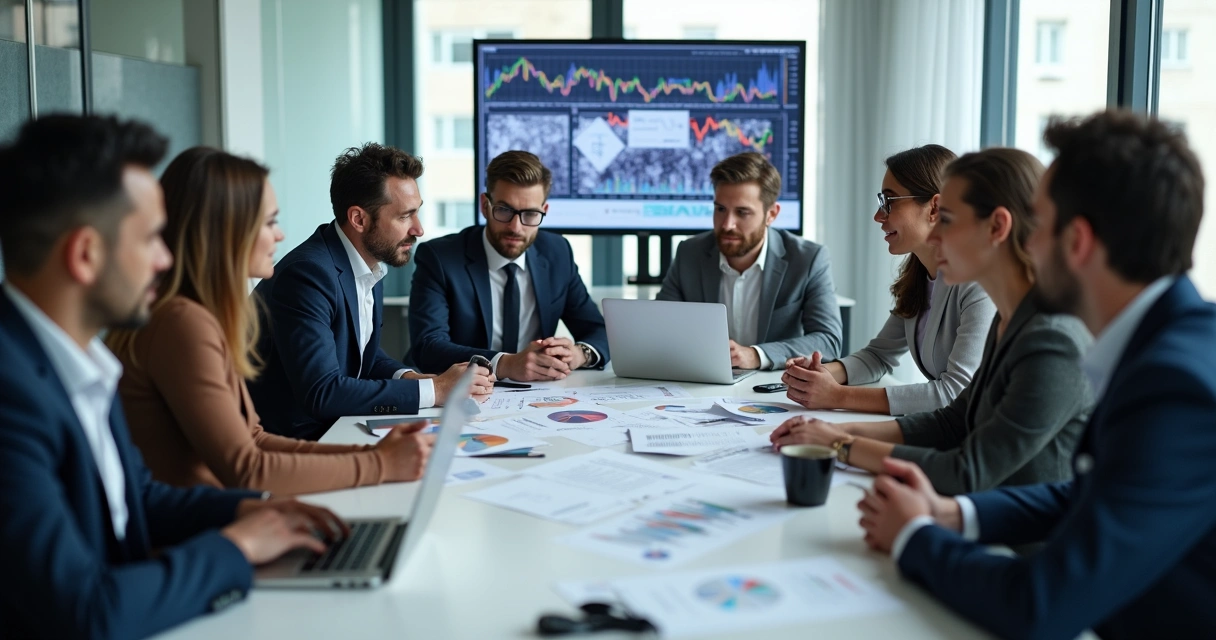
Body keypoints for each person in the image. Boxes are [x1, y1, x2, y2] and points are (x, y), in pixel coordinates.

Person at [858, 111, 1216, 640]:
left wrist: (914, 534)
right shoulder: (1164, 346)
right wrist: (954, 515)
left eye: (1038, 223)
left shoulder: (1175, 387)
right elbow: (1091, 494)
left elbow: (1041, 605)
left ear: (1078, 242)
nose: (1025, 241)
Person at [0, 115, 346, 639]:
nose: (165, 259)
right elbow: (85, 611)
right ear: (86, 254)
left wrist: (266, 511)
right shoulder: (10, 394)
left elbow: (138, 498)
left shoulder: (82, 361)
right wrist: (239, 546)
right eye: (151, 239)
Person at [105, 147, 434, 496]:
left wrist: (376, 456)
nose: (280, 236)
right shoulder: (182, 322)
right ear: (223, 231)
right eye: (269, 222)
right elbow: (246, 468)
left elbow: (254, 439)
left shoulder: (201, 315)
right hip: (195, 525)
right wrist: (380, 464)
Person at [770, 148, 1092, 496]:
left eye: (948, 220)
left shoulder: (1051, 340)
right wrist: (837, 431)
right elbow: (953, 421)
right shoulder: (1009, 317)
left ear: (997, 226)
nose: (936, 237)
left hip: (1014, 540)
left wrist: (841, 444)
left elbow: (967, 471)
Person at [249, 143, 493, 441]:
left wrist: (413, 378)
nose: (418, 229)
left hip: (337, 427)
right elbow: (322, 392)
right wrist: (436, 390)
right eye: (405, 216)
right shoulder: (308, 275)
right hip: (292, 441)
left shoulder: (368, 260)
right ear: (359, 219)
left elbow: (363, 355)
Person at [784, 145, 996, 415]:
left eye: (890, 201)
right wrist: (819, 375)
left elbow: (955, 392)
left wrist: (837, 396)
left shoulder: (979, 282)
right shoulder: (919, 275)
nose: (878, 216)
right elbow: (878, 356)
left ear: (935, 207)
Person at [408, 150, 609, 381]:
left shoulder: (557, 252)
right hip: (457, 393)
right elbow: (428, 347)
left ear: (544, 211)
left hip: (533, 395)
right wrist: (505, 364)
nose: (516, 227)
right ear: (485, 205)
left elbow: (598, 330)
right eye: (504, 210)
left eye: (531, 214)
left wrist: (577, 354)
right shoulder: (440, 258)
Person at [656, 152, 842, 369]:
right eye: (720, 209)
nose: (727, 224)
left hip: (773, 389)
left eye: (742, 212)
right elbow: (660, 326)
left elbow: (828, 341)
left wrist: (756, 355)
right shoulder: (690, 252)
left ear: (771, 214)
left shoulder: (808, 259)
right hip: (701, 382)